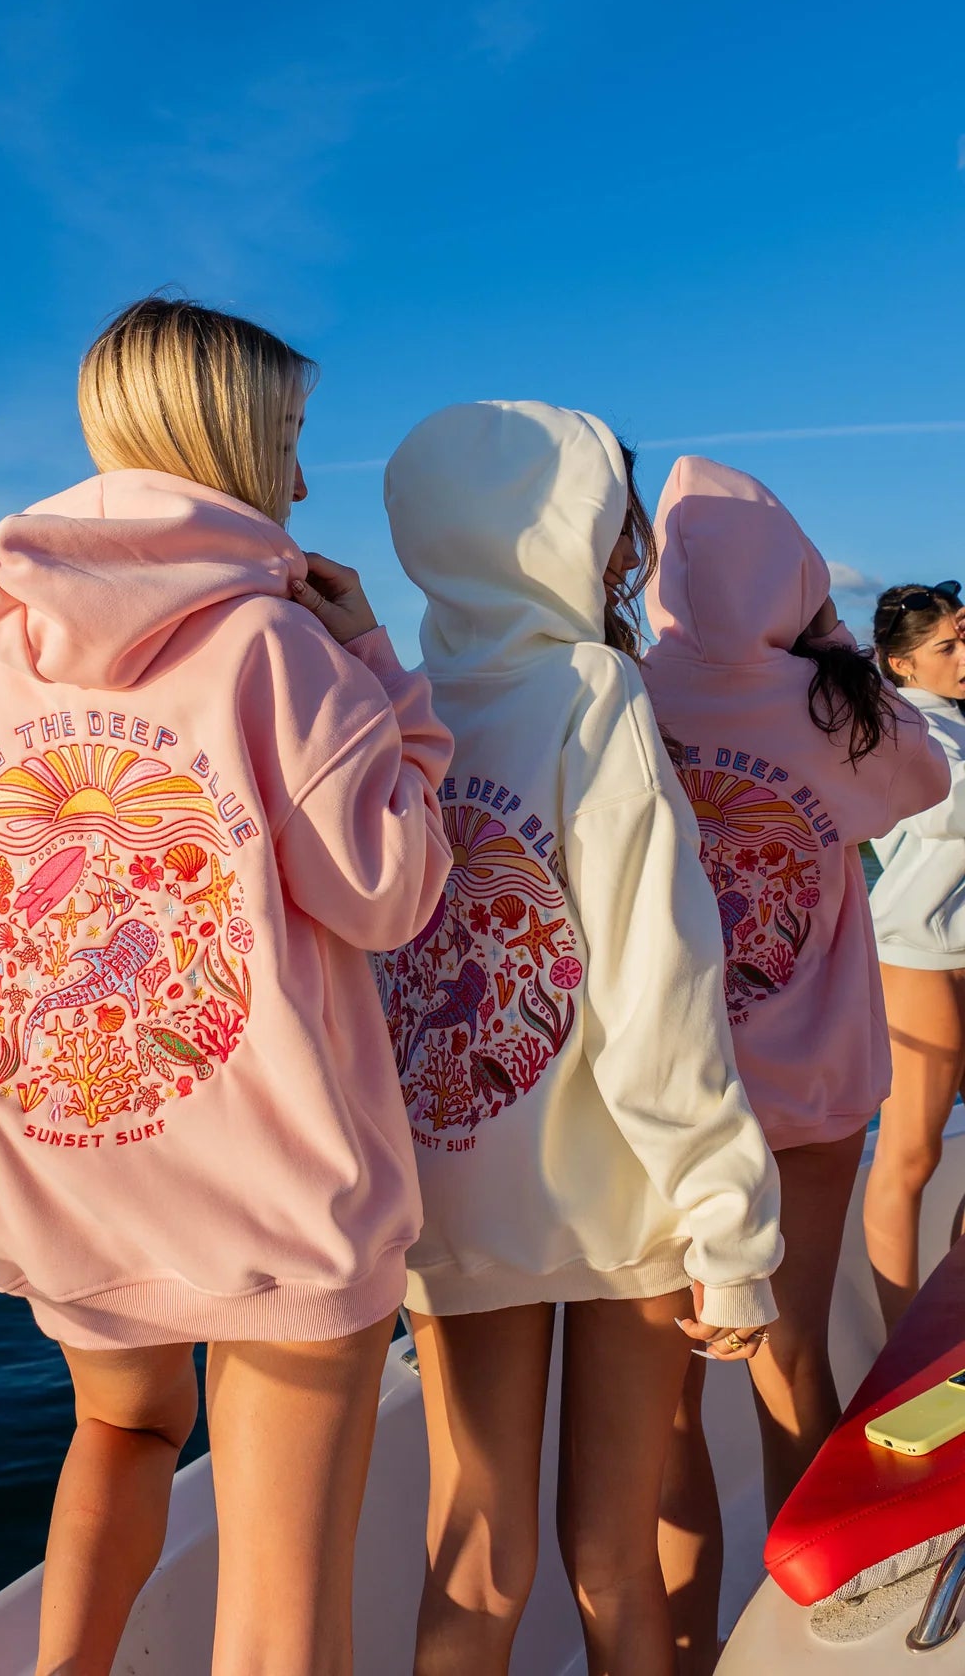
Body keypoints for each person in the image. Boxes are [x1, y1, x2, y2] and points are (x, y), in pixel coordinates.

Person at [0, 296, 453, 1676]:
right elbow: (389, 893)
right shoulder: (279, 648)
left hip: (69, 1155)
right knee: (280, 1624)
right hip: (266, 1192)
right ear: (226, 435)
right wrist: (392, 681)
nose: (305, 478)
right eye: (291, 436)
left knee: (123, 1433)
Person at [378, 401, 783, 1676]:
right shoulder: (594, 692)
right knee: (615, 1553)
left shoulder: (393, 694)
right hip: (622, 1192)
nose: (631, 555)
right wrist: (731, 1225)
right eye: (612, 521)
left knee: (479, 1556)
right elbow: (656, 986)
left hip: (453, 1185)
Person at [642, 458, 950, 1674]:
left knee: (661, 1406)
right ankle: (805, 1629)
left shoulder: (631, 693)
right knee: (794, 1356)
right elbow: (923, 780)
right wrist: (828, 646)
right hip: (811, 1092)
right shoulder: (838, 710)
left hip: (664, 1102)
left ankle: (678, 1645)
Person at [863, 582, 965, 1334]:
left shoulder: (955, 722)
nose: (964, 659)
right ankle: (905, 1351)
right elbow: (946, 809)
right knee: (909, 1157)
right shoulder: (901, 727)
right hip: (916, 958)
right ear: (901, 664)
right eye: (948, 648)